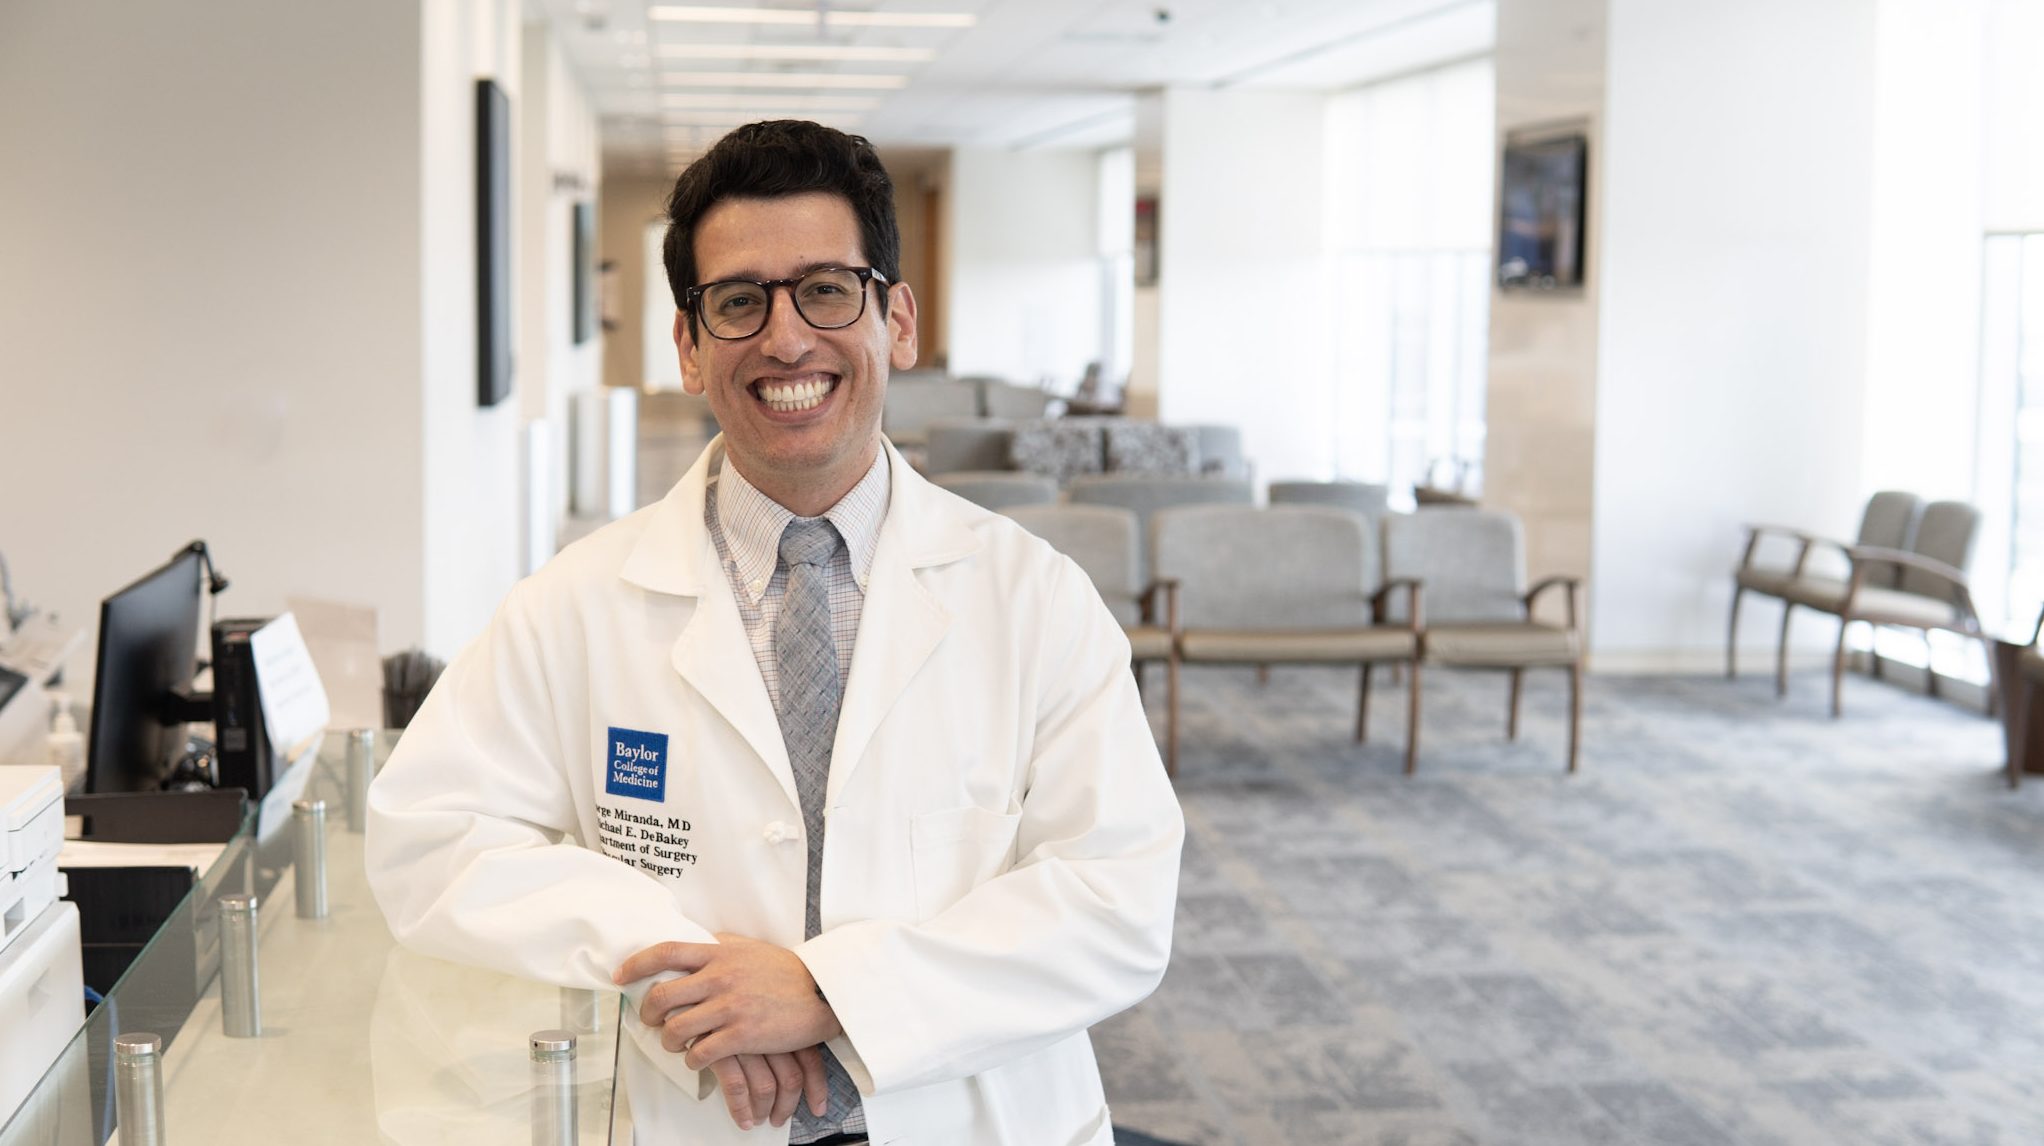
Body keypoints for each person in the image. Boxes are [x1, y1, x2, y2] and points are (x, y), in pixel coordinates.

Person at [365, 119, 1184, 1146]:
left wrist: (830, 993)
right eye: (740, 301)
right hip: (695, 1111)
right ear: (689, 347)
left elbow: (1118, 895)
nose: (786, 338)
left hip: (972, 1113)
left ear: (898, 320)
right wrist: (682, 966)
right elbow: (430, 842)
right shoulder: (572, 604)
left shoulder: (1034, 598)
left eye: (827, 289)